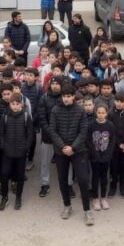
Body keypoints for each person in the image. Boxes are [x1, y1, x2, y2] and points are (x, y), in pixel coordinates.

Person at [48, 82, 94, 226]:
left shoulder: (80, 110)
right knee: (62, 180)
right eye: (64, 96)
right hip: (60, 151)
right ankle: (67, 206)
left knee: (83, 179)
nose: (66, 98)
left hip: (78, 151)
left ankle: (87, 210)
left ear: (74, 96)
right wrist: (63, 147)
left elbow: (83, 131)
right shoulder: (55, 110)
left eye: (68, 96)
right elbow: (52, 131)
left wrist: (73, 147)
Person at [0, 92, 33, 211]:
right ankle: (4, 197)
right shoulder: (5, 116)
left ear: (21, 104)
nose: (15, 106)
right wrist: (3, 146)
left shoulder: (26, 117)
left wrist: (26, 147)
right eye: (13, 104)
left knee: (20, 176)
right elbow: (1, 133)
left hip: (21, 152)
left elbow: (30, 134)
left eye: (17, 104)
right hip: (7, 152)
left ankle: (18, 197)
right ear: (10, 104)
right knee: (4, 174)